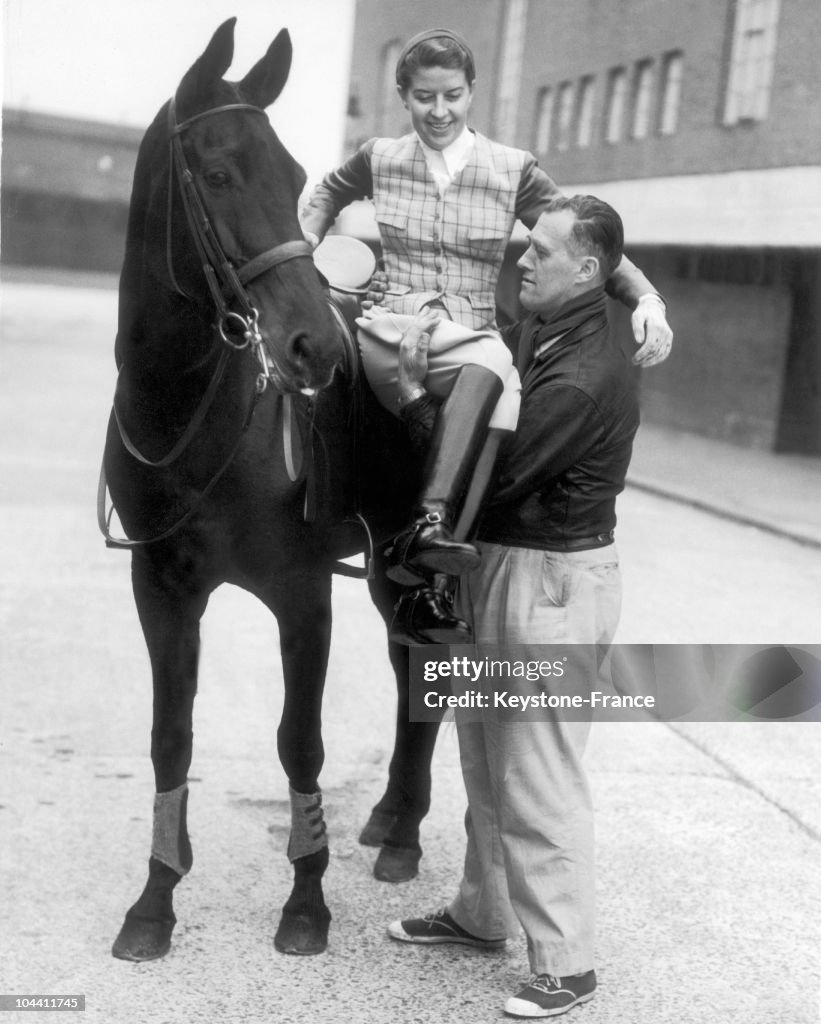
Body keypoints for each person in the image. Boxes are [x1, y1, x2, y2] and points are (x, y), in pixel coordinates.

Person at [300, 27, 671, 635]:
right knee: (341, 364)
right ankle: (331, 515)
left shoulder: (512, 169)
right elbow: (327, 194)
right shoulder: (379, 157)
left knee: (505, 396)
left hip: (471, 336)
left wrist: (647, 299)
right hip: (395, 327)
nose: (438, 111)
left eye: (451, 95)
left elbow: (592, 248)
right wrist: (306, 245)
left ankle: (436, 574)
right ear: (404, 96)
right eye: (423, 97)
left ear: (472, 93)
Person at [387, 195, 641, 1018]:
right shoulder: (554, 319)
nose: (522, 260)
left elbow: (487, 479)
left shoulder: (583, 375)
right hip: (512, 565)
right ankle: (481, 914)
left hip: (550, 581)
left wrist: (412, 399)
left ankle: (568, 966)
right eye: (524, 247)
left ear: (587, 269)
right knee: (486, 761)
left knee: (537, 774)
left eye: (541, 251)